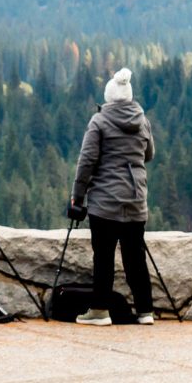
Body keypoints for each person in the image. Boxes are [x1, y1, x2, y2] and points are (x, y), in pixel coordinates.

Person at [70, 68, 156, 326]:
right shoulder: (142, 121)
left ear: (108, 97)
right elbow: (149, 154)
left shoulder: (99, 121)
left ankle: (99, 310)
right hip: (135, 199)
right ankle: (145, 311)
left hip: (105, 202)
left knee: (104, 257)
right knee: (135, 257)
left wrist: (77, 195)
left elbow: (87, 161)